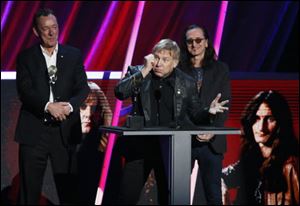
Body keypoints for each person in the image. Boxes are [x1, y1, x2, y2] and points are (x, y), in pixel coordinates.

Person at [114, 38, 229, 204]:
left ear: (175, 63)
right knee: (127, 197)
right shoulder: (138, 72)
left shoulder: (186, 82)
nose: (158, 63)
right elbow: (120, 93)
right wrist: (144, 70)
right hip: (139, 147)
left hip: (169, 149)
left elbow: (196, 114)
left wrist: (208, 113)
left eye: (165, 59)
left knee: (168, 198)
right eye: (156, 57)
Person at [15, 8, 89, 205]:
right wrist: (49, 106)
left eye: (54, 27)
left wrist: (69, 107)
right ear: (35, 32)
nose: (51, 33)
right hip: (34, 133)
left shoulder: (73, 55)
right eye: (45, 29)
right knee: (29, 194)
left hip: (64, 133)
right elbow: (25, 91)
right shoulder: (26, 57)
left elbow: (83, 88)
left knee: (70, 193)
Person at [179, 24, 231, 204]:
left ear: (207, 43)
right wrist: (194, 129)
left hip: (212, 143)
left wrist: (213, 130)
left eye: (198, 40)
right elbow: (178, 108)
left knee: (213, 195)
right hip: (185, 140)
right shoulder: (178, 70)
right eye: (190, 41)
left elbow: (224, 104)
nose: (194, 44)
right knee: (178, 194)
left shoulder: (221, 69)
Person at [222, 90, 299, 205]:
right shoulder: (253, 157)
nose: (261, 127)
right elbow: (222, 176)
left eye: (270, 119)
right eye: (257, 118)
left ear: (281, 123)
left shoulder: (291, 166)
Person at [77, 81, 113, 204]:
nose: (88, 114)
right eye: (82, 107)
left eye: (92, 108)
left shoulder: (104, 151)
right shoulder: (62, 149)